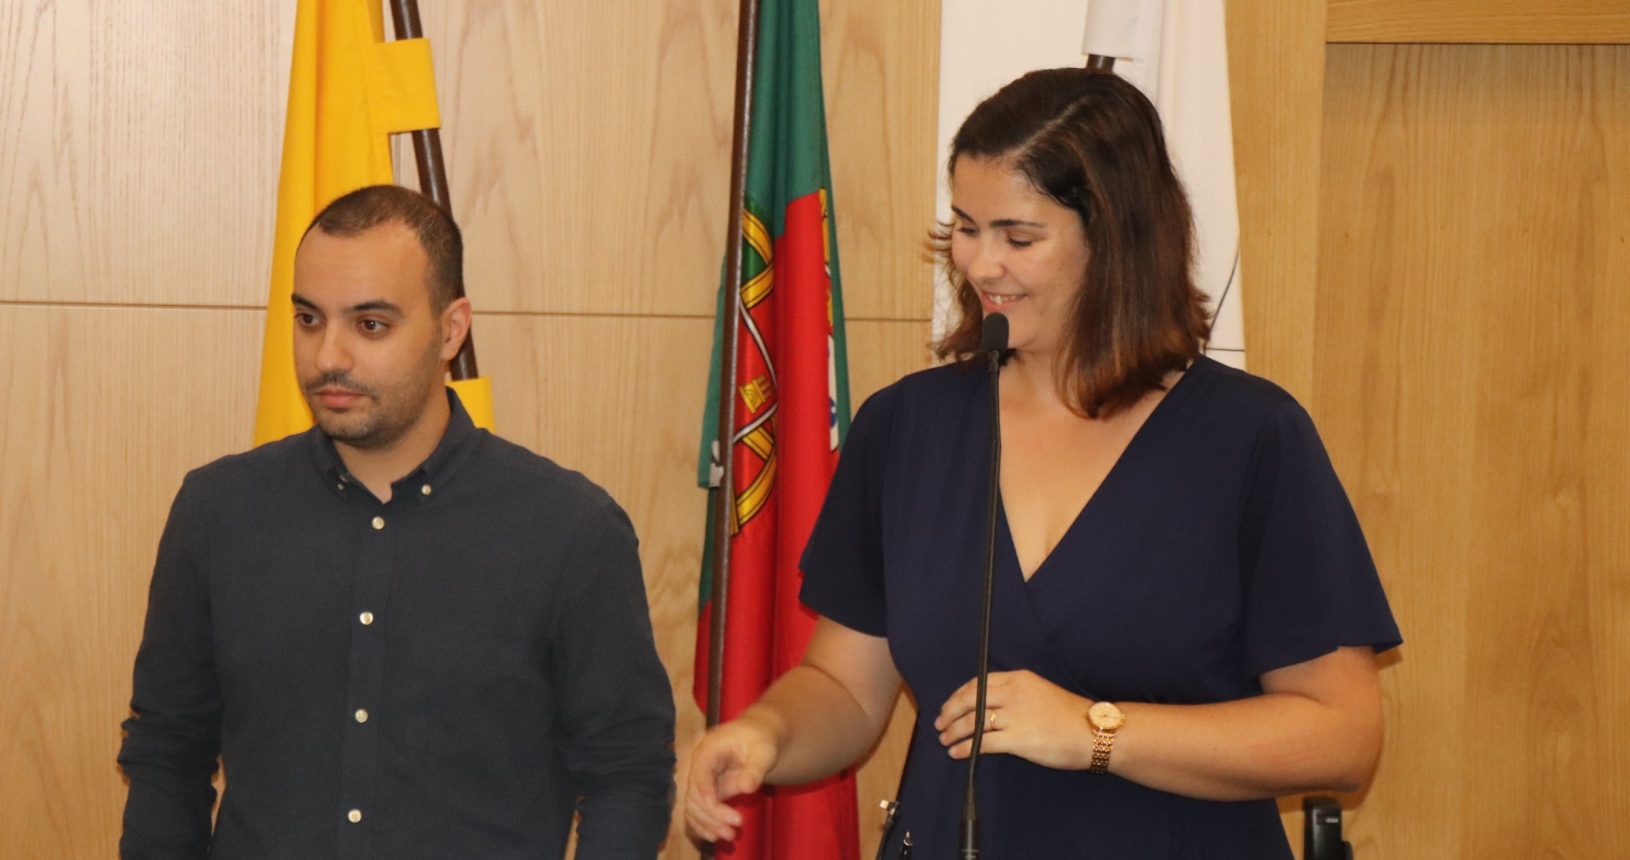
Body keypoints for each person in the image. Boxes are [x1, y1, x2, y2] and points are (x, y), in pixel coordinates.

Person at [684, 68, 1400, 857]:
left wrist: (1096, 733)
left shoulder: (1250, 437)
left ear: (1117, 238)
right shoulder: (906, 427)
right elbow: (846, 690)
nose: (981, 265)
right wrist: (765, 734)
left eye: (1018, 238)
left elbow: (1341, 736)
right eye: (966, 227)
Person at [118, 185, 675, 859]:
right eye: (309, 319)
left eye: (371, 325)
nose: (329, 356)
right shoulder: (217, 513)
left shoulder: (571, 533)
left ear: (451, 329)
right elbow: (168, 753)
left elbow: (627, 776)